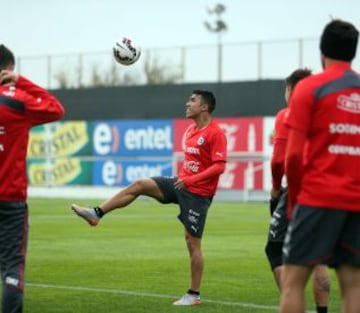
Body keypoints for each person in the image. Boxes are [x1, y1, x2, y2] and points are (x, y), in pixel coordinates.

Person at [71, 89, 227, 306]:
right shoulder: (190, 131)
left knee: (192, 243)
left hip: (198, 195)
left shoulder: (215, 133)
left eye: (192, 101)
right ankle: (96, 213)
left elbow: (219, 166)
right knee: (140, 184)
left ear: (204, 107)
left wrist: (192, 180)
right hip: (181, 184)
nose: (187, 103)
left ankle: (193, 295)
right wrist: (186, 180)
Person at [279, 19, 360, 313]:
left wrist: (295, 202)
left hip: (318, 198)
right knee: (353, 287)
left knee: (293, 282)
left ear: (322, 51)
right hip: (356, 202)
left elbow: (292, 157)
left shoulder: (310, 88)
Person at [0, 44, 65, 313]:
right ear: (10, 68)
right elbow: (56, 109)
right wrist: (21, 82)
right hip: (10, 198)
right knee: (12, 267)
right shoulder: (15, 101)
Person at [265, 68, 331, 313]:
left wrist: (275, 189)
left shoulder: (287, 114)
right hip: (327, 190)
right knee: (319, 259)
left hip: (299, 190)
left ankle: (293, 305)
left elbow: (278, 160)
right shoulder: (326, 114)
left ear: (291, 89)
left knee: (274, 249)